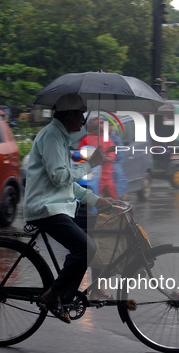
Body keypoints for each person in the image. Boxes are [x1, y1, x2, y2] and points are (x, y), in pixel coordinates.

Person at [23, 93, 113, 324]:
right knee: (85, 248)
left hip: (60, 206)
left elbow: (68, 184)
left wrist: (94, 200)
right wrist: (89, 165)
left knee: (100, 227)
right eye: (80, 115)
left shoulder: (61, 138)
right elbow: (60, 177)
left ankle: (96, 289)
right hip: (47, 209)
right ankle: (54, 295)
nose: (83, 120)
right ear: (69, 115)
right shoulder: (52, 137)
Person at [79, 118, 118, 198]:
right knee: (91, 197)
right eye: (101, 124)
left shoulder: (107, 138)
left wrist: (109, 157)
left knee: (114, 198)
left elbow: (112, 151)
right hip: (93, 174)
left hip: (106, 175)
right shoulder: (86, 139)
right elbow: (80, 153)